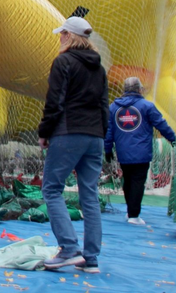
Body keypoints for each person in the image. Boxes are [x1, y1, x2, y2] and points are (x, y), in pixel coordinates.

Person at [38, 16, 109, 275]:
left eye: (62, 34)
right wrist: (102, 136)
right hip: (95, 136)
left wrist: (45, 132)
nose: (59, 38)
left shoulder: (63, 62)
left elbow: (54, 101)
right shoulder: (99, 68)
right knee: (89, 196)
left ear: (69, 36)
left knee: (52, 189)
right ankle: (91, 258)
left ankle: (69, 248)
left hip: (68, 133)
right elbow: (104, 106)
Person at [105, 76, 176, 226]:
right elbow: (161, 124)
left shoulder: (113, 107)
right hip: (141, 152)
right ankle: (134, 215)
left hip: (123, 152)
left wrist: (107, 149)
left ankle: (130, 210)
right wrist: (173, 139)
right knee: (138, 181)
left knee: (128, 180)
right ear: (139, 89)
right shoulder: (147, 106)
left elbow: (109, 130)